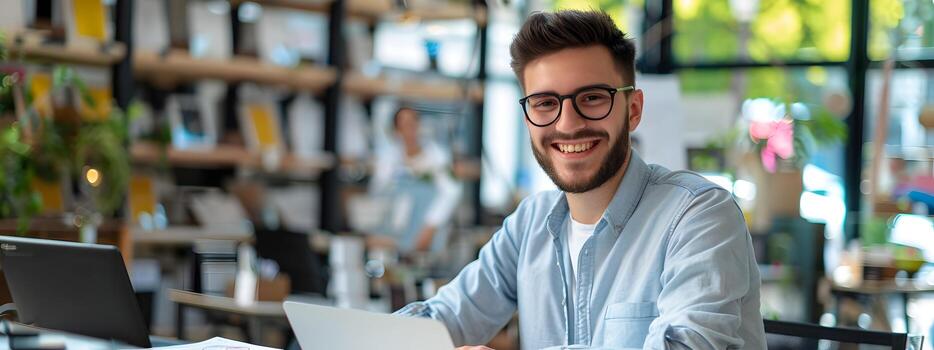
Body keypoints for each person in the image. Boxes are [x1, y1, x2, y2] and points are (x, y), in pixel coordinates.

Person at [395, 10, 766, 350]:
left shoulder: (700, 214)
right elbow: (443, 320)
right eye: (544, 103)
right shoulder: (529, 224)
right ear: (528, 118)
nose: (567, 124)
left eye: (591, 98)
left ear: (632, 110)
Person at [369, 107, 463, 253]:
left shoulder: (437, 155)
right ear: (396, 131)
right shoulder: (387, 157)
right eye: (403, 126)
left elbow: (452, 191)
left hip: (426, 232)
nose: (409, 131)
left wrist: (430, 227)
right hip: (394, 234)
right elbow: (379, 191)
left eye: (412, 124)